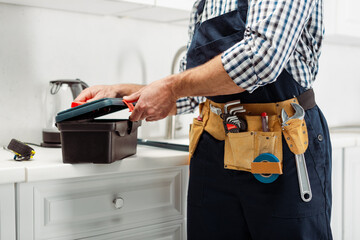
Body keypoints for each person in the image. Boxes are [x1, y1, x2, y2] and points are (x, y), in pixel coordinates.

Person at [75, 0, 332, 239]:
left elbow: (260, 57)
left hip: (281, 145)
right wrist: (123, 94)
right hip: (213, 150)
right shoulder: (205, 3)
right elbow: (193, 92)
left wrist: (171, 87)